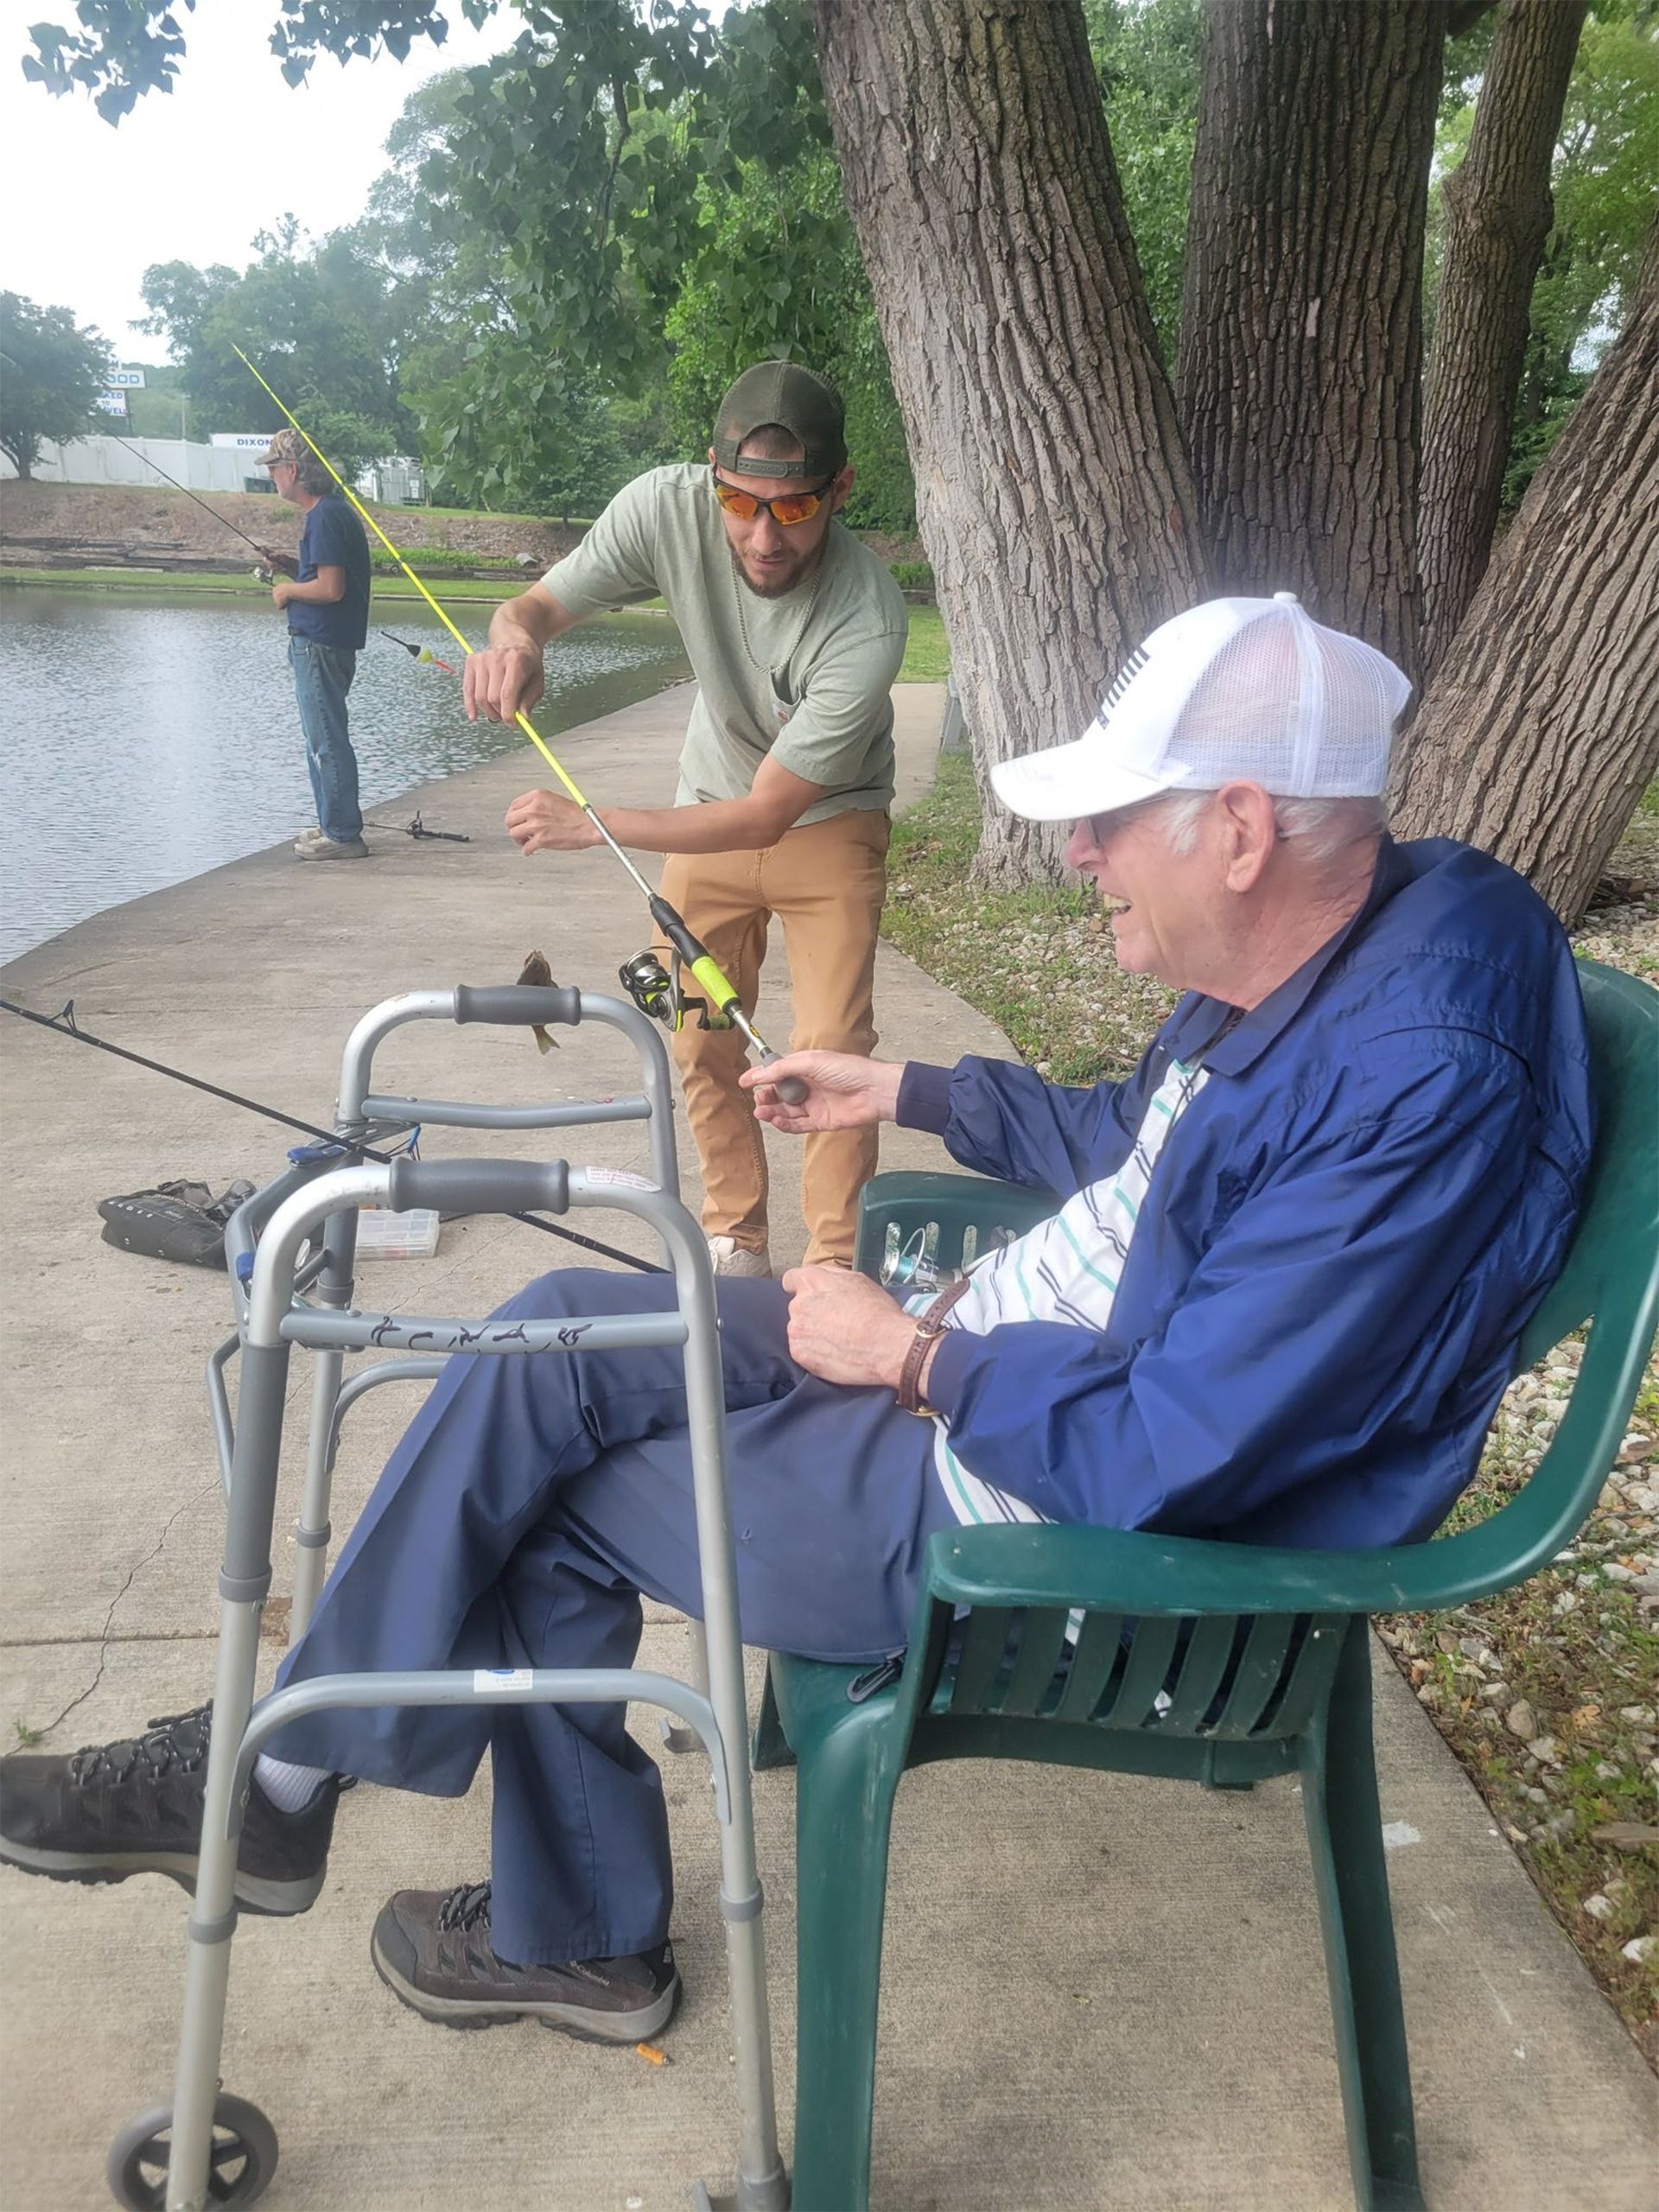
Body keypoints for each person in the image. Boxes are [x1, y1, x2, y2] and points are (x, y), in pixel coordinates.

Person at [0, 593, 1592, 2046]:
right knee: (561, 1321)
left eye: (1107, 825)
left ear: (1239, 826)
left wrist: (910, 1359)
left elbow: (1171, 1454)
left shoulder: (1418, 1078)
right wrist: (903, 1088)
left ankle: (429, 1859)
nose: (1078, 858)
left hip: (1027, 1508)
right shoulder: (1364, 924)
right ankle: (294, 1777)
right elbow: (1153, 1144)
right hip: (993, 1369)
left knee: (542, 1489)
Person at [464, 361, 910, 1275]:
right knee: (695, 1028)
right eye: (739, 502)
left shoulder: (868, 617)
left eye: (793, 509)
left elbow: (766, 817)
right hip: (708, 798)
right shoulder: (663, 508)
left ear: (840, 490)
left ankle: (831, 1270)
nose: (761, 536)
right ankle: (734, 1238)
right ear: (711, 474)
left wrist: (595, 823)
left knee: (831, 1052)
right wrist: (518, 645)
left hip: (825, 822)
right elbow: (533, 605)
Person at [259, 427, 372, 861]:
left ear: (292, 470)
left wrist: (287, 592)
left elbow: (330, 589)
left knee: (325, 738)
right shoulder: (335, 513)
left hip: (320, 645)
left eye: (273, 468)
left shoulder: (324, 516)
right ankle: (333, 821)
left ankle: (342, 834)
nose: (271, 476)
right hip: (329, 643)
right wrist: (292, 566)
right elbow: (327, 578)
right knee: (321, 737)